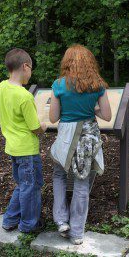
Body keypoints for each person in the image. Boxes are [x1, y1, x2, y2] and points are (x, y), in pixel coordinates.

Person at [49, 44, 111, 245]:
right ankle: (77, 233)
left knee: (59, 174)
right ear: (90, 62)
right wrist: (92, 108)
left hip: (67, 139)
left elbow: (53, 118)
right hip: (89, 137)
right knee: (82, 181)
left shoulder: (59, 85)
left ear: (66, 62)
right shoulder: (98, 85)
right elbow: (107, 115)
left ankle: (61, 220)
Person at [0, 48, 47, 233]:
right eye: (31, 68)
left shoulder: (2, 86)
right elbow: (35, 128)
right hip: (27, 150)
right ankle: (28, 226)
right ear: (25, 66)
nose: (30, 73)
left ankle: (9, 220)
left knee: (23, 185)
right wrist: (45, 125)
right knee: (31, 188)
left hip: (12, 148)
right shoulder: (25, 96)